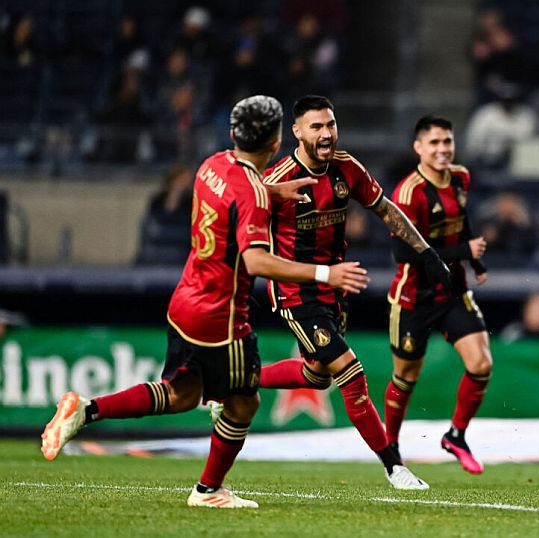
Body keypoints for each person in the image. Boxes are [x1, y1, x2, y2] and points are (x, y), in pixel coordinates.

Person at [40, 95, 369, 509]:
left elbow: (242, 191)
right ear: (276, 142)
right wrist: (325, 274)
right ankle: (209, 490)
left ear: (232, 134)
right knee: (244, 402)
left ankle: (85, 410)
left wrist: (272, 191)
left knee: (180, 395)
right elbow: (256, 260)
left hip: (185, 301)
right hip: (222, 317)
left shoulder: (212, 166)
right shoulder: (253, 194)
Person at [259, 96, 451, 490]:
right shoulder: (277, 180)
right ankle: (395, 467)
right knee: (351, 373)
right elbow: (239, 222)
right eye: (316, 126)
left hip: (334, 287)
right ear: (297, 132)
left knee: (316, 375)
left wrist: (427, 253)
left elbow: (386, 209)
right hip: (295, 290)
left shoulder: (346, 167)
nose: (326, 133)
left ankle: (233, 381)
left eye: (330, 124)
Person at [383, 115, 492, 474]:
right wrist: (463, 251)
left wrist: (475, 262)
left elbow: (462, 221)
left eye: (447, 141)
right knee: (406, 377)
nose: (442, 149)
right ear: (418, 147)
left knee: (481, 364)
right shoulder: (408, 192)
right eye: (434, 143)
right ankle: (391, 447)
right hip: (413, 298)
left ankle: (456, 436)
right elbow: (403, 253)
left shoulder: (461, 176)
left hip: (453, 291)